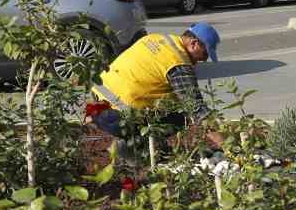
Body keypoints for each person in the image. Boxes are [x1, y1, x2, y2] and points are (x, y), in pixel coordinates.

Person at [89, 22, 223, 145]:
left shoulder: (155, 38)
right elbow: (196, 109)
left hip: (95, 103)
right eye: (205, 53)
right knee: (181, 116)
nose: (204, 59)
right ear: (194, 44)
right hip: (116, 117)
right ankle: (134, 147)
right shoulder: (178, 63)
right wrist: (229, 147)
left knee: (170, 104)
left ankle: (147, 145)